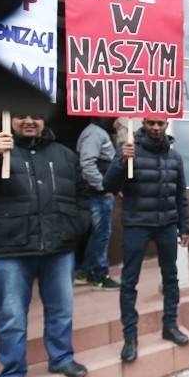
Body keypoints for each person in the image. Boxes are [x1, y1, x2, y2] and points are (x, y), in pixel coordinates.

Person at [0, 112, 91, 377]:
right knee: (12, 316)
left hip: (58, 247)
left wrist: (77, 226)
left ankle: (61, 358)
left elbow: (82, 195)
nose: (29, 120)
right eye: (20, 115)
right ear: (7, 117)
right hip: (9, 250)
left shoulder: (65, 154)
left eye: (36, 115)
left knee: (61, 310)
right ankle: (12, 374)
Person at [102, 118, 189, 364]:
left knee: (171, 278)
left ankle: (170, 325)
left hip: (167, 225)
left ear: (166, 125)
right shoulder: (129, 150)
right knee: (129, 281)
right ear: (143, 122)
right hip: (136, 225)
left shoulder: (175, 157)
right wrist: (122, 161)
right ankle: (129, 337)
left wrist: (185, 226)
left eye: (160, 123)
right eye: (151, 123)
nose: (155, 127)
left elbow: (180, 194)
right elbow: (107, 185)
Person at [74, 117, 121, 290]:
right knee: (101, 235)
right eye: (117, 119)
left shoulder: (99, 133)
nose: (119, 123)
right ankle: (100, 275)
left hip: (100, 192)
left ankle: (86, 271)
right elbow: (87, 163)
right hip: (97, 194)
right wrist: (103, 187)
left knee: (98, 234)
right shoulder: (95, 133)